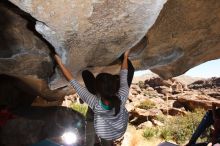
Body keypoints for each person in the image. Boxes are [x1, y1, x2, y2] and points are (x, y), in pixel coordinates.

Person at [54, 50, 133, 146]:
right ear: (115, 86)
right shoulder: (123, 95)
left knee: (86, 74)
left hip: (105, 131)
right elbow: (124, 74)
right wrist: (125, 57)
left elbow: (72, 81)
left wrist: (60, 63)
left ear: (97, 92)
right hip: (118, 131)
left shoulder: (95, 103)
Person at [81, 54, 134, 146]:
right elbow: (129, 71)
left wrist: (124, 57)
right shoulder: (120, 94)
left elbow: (85, 74)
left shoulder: (98, 94)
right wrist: (124, 57)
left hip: (96, 119)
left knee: (92, 140)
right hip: (100, 121)